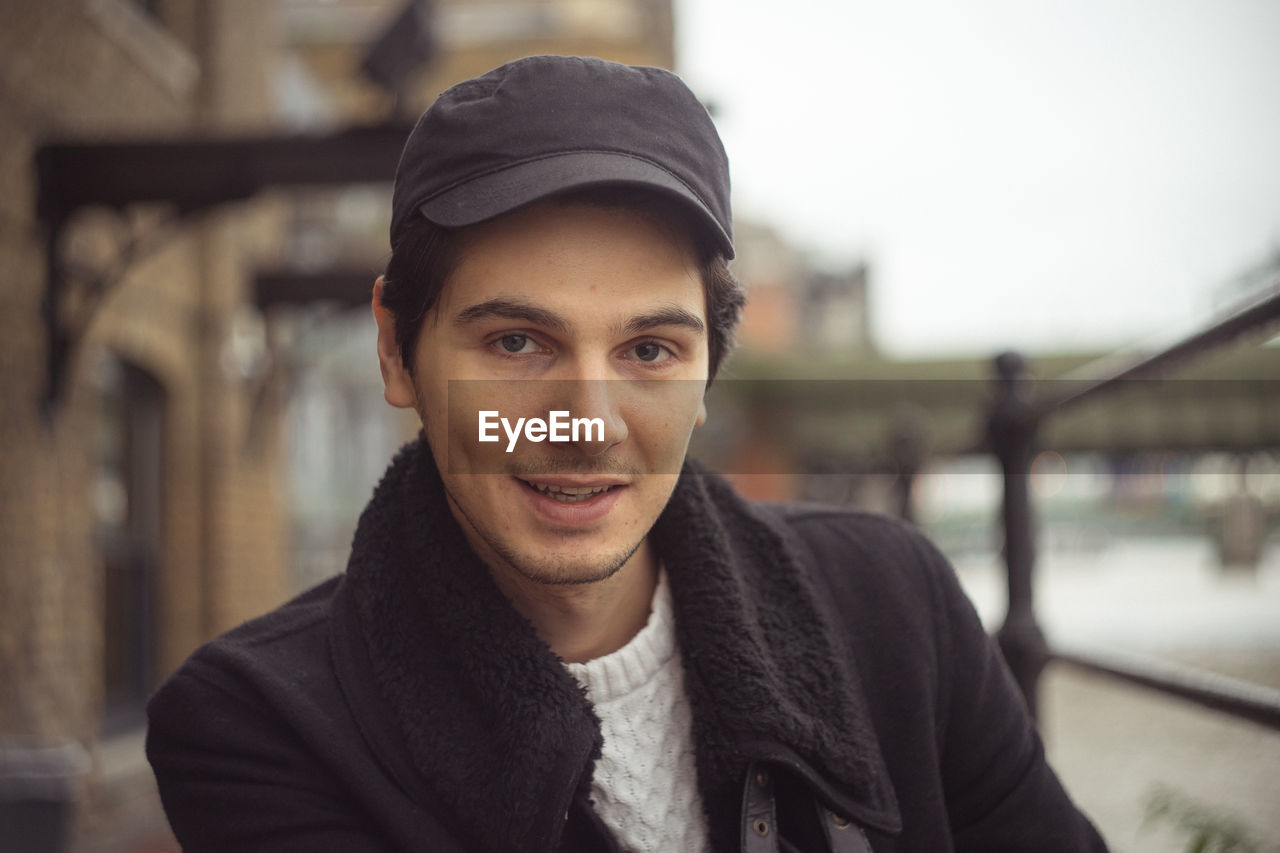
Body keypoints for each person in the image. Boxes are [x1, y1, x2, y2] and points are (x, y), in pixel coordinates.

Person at [146, 55, 1108, 853]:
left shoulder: (897, 602)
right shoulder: (256, 723)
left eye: (650, 351)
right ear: (398, 349)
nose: (590, 420)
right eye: (518, 343)